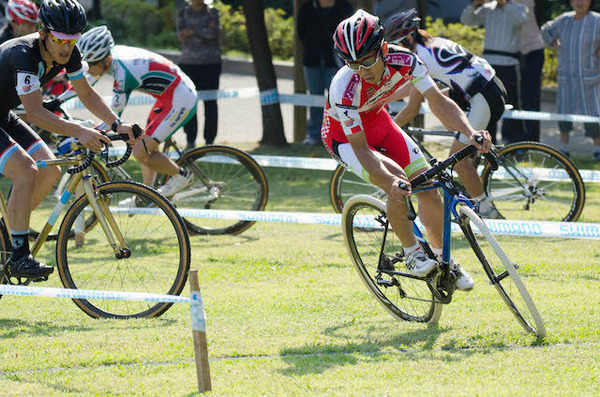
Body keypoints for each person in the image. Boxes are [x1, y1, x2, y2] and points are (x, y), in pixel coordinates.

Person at [324, 10, 493, 289]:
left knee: (428, 186)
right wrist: (391, 181)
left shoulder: (405, 60)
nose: (363, 70)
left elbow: (438, 102)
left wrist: (469, 132)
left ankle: (444, 263)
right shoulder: (342, 87)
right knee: (395, 180)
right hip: (344, 138)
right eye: (353, 64)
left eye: (367, 60)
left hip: (380, 121)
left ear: (383, 48)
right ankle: (413, 253)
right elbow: (362, 150)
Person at [0, 0, 139, 280]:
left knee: (49, 169)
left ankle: (8, 237)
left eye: (73, 39)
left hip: (2, 113)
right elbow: (36, 114)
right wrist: (79, 130)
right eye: (60, 39)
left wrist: (117, 123)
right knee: (25, 169)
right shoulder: (23, 53)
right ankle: (18, 254)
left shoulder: (70, 54)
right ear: (43, 34)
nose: (66, 47)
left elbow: (87, 94)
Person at [385, 9, 506, 219]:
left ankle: (487, 211)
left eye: (398, 45)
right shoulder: (430, 44)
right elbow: (413, 88)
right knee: (437, 100)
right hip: (488, 87)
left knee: (457, 160)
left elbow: (412, 107)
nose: (397, 51)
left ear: (409, 38)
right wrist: (383, 98)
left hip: (482, 96)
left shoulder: (420, 58)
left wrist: (388, 130)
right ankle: (467, 148)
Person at [76, 25, 198, 201]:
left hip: (180, 99)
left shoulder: (123, 73)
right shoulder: (111, 58)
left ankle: (181, 176)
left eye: (91, 65)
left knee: (141, 151)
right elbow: (85, 84)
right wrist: (57, 101)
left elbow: (115, 114)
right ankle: (147, 196)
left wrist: (92, 131)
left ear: (106, 60)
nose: (89, 69)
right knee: (142, 144)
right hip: (168, 96)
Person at [461, 0, 528, 144]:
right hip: (488, 64)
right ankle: (488, 140)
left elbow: (520, 21)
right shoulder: (487, 8)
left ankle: (514, 142)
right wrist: (475, 4)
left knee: (512, 102)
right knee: (488, 101)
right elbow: (467, 21)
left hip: (509, 62)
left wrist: (505, 3)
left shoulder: (519, 8)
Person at [541, 0, 600, 160]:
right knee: (564, 111)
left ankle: (597, 148)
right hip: (567, 75)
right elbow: (545, 30)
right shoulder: (564, 20)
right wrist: (552, 42)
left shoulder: (597, 20)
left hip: (590, 76)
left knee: (593, 112)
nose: (580, 3)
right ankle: (564, 147)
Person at [297, 0, 353, 146]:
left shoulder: (344, 6)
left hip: (335, 61)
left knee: (336, 98)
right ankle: (314, 134)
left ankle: (337, 135)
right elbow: (301, 32)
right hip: (312, 60)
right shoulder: (307, 7)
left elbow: (349, 32)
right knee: (315, 97)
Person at [176, 0, 221, 148]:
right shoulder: (182, 12)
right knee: (190, 101)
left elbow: (214, 33)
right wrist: (201, 31)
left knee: (210, 103)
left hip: (211, 63)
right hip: (188, 63)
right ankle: (190, 139)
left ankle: (209, 140)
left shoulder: (213, 12)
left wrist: (193, 31)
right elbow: (181, 34)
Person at [516, 0, 545, 142]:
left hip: (534, 49)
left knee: (531, 95)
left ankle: (532, 138)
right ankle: (515, 138)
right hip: (512, 51)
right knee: (513, 96)